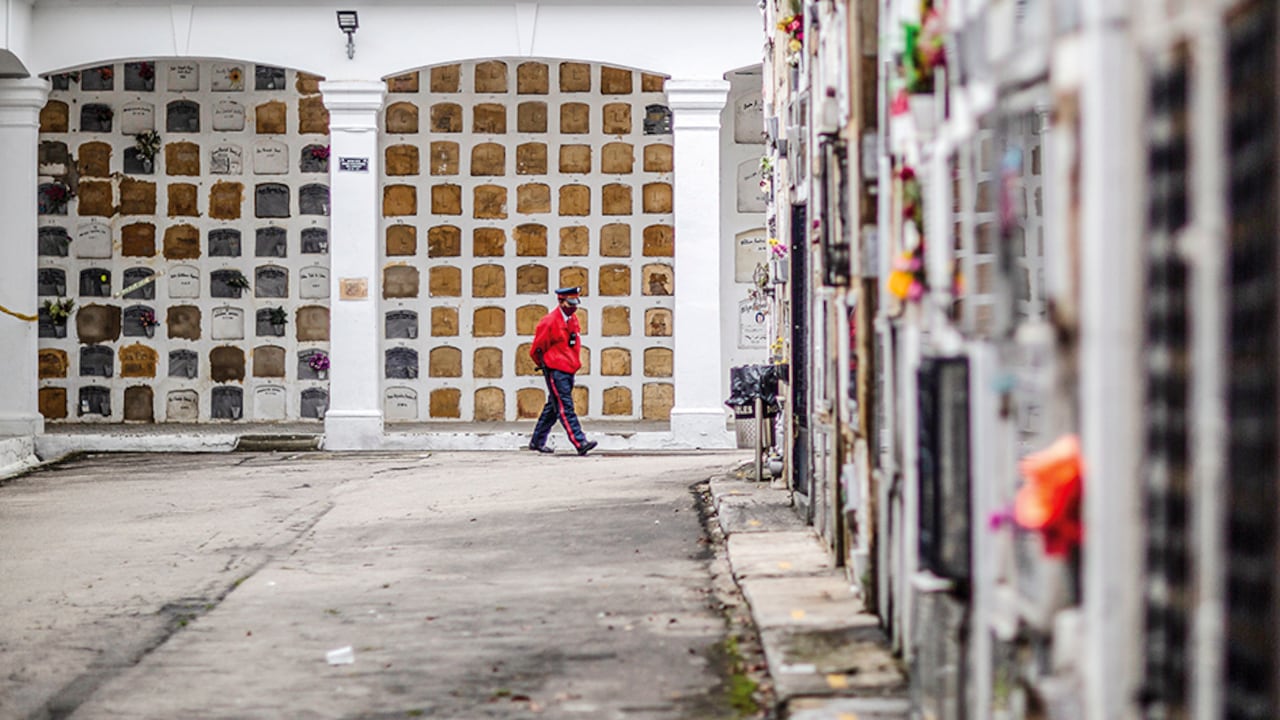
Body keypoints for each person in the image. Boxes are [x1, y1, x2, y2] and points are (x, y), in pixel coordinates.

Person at [528, 287, 597, 456]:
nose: (574, 306)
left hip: (569, 367)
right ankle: (579, 442)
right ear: (560, 301)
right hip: (556, 370)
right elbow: (537, 349)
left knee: (553, 406)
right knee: (565, 407)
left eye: (575, 302)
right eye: (570, 302)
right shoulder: (549, 321)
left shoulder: (572, 320)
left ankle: (537, 441)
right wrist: (547, 366)